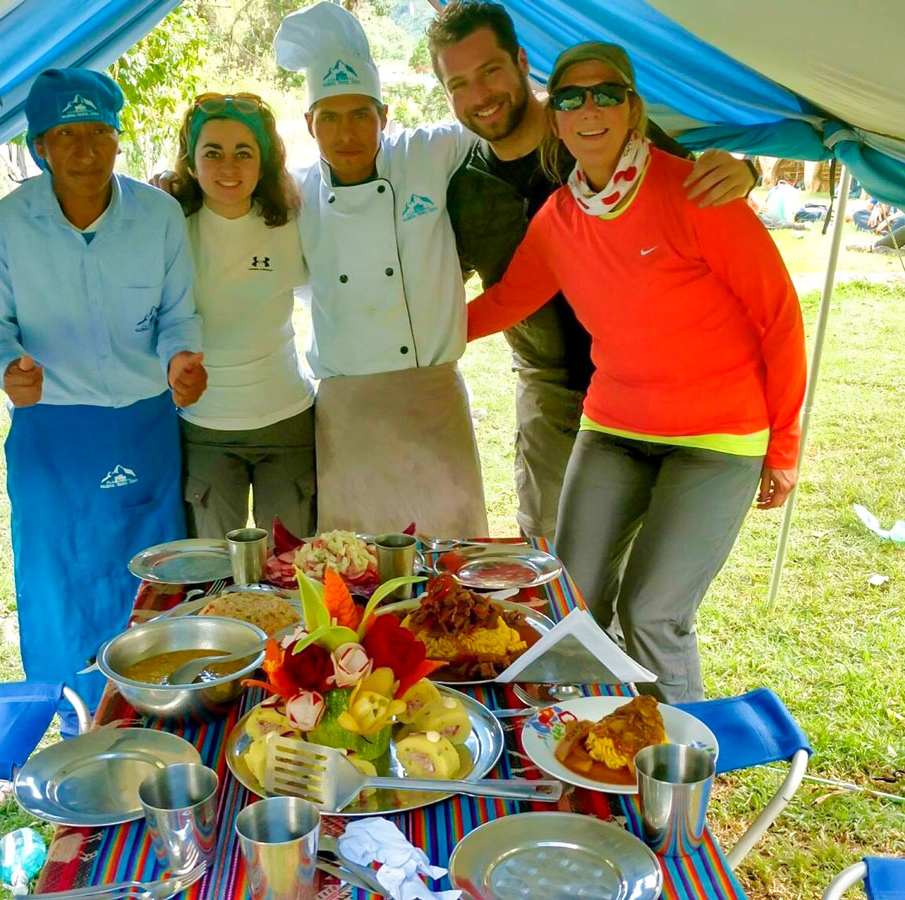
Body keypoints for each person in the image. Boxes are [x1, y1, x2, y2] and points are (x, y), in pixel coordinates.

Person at [465, 42, 807, 702]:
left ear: (631, 108)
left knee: (653, 616)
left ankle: (673, 786)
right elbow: (506, 302)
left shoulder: (696, 190)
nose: (588, 109)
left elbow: (779, 317)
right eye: (570, 98)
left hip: (716, 440)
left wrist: (785, 447)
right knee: (574, 602)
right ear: (554, 117)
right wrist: (406, 340)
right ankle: (586, 744)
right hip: (615, 426)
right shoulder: (560, 220)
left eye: (605, 94)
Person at [428, 1, 759, 541]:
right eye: (459, 83)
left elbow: (691, 179)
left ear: (520, 60)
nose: (480, 95)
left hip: (650, 384)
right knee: (552, 554)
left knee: (646, 560)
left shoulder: (595, 125)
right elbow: (434, 283)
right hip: (549, 389)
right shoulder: (462, 188)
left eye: (490, 71)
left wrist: (744, 170)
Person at [0, 68, 204, 727]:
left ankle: (161, 710)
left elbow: (179, 316)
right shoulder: (9, 223)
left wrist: (181, 358)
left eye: (98, 132)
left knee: (150, 576)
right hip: (52, 430)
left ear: (117, 139)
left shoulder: (157, 217)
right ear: (40, 145)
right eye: (65, 135)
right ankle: (74, 721)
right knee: (57, 581)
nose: (83, 150)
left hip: (144, 425)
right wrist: (6, 368)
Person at [272, 1, 488, 538]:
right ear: (308, 123)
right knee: (356, 562)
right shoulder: (293, 194)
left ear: (384, 116)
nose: (347, 133)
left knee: (452, 554)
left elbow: (510, 122)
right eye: (331, 117)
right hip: (349, 410)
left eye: (361, 115)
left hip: (433, 395)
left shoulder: (428, 152)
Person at [172, 93, 316, 538]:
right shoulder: (169, 227)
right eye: (212, 153)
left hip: (287, 422)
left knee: (292, 569)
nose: (228, 167)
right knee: (213, 572)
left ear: (263, 162)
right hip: (205, 427)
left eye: (244, 153)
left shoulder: (294, 221)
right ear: (191, 163)